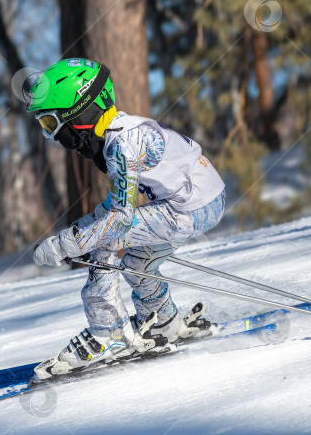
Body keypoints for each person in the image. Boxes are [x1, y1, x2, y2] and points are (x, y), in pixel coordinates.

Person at [29, 58, 226, 381]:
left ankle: (108, 333)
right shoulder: (118, 136)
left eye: (51, 124)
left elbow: (119, 220)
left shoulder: (122, 145)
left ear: (79, 113)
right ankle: (163, 322)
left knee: (106, 236)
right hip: (200, 200)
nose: (52, 136)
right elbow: (116, 206)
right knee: (136, 263)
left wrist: (68, 244)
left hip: (193, 207)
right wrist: (76, 234)